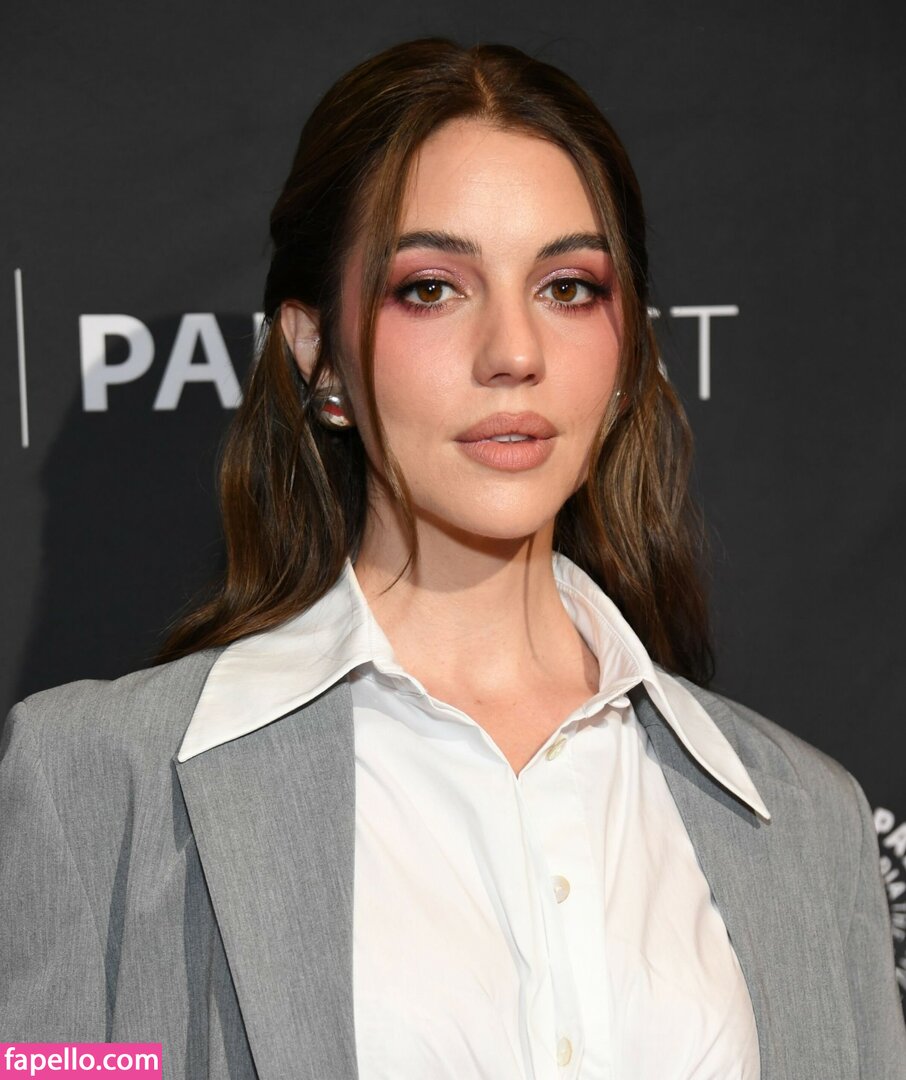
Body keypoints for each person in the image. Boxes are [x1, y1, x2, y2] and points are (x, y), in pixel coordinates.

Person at [0, 38, 903, 1080]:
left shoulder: (812, 822)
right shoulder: (93, 787)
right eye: (432, 288)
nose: (514, 352)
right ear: (318, 354)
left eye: (568, 287)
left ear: (626, 352)